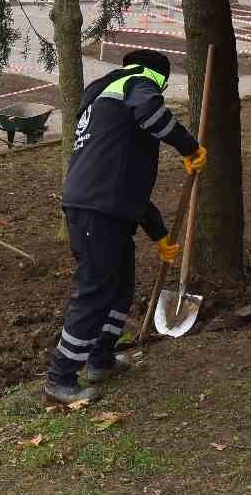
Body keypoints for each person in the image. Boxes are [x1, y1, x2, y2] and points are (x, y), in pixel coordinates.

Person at [44, 49, 206, 404]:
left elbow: (126, 186)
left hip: (105, 206)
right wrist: (188, 147)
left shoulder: (106, 102)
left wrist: (160, 235)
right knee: (95, 290)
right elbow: (152, 113)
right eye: (162, 83)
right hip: (95, 210)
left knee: (120, 288)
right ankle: (61, 377)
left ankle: (101, 359)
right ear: (157, 77)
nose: (159, 89)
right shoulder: (137, 83)